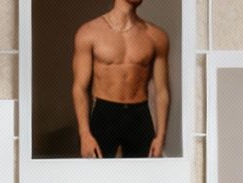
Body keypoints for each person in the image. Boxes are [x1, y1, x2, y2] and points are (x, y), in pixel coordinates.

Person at [70, 0, 172, 158]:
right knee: (97, 178)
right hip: (104, 114)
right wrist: (84, 134)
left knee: (143, 179)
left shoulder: (156, 36)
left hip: (139, 116)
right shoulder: (89, 32)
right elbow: (79, 88)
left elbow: (162, 91)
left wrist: (160, 137)